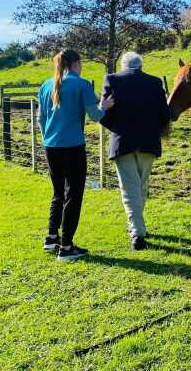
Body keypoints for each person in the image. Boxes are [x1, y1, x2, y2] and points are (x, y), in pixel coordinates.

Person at [39, 49, 114, 260]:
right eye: (81, 64)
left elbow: (40, 119)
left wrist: (49, 138)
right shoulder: (81, 84)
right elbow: (95, 115)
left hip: (50, 146)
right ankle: (67, 247)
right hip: (72, 147)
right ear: (76, 63)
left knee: (58, 192)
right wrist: (105, 106)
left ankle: (52, 237)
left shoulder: (46, 85)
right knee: (73, 194)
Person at [100, 52, 171, 250]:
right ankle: (137, 227)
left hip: (123, 142)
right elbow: (164, 116)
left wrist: (117, 128)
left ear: (123, 65)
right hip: (149, 142)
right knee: (140, 186)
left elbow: (103, 114)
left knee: (130, 188)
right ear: (141, 66)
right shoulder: (155, 83)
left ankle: (137, 233)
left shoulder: (112, 80)